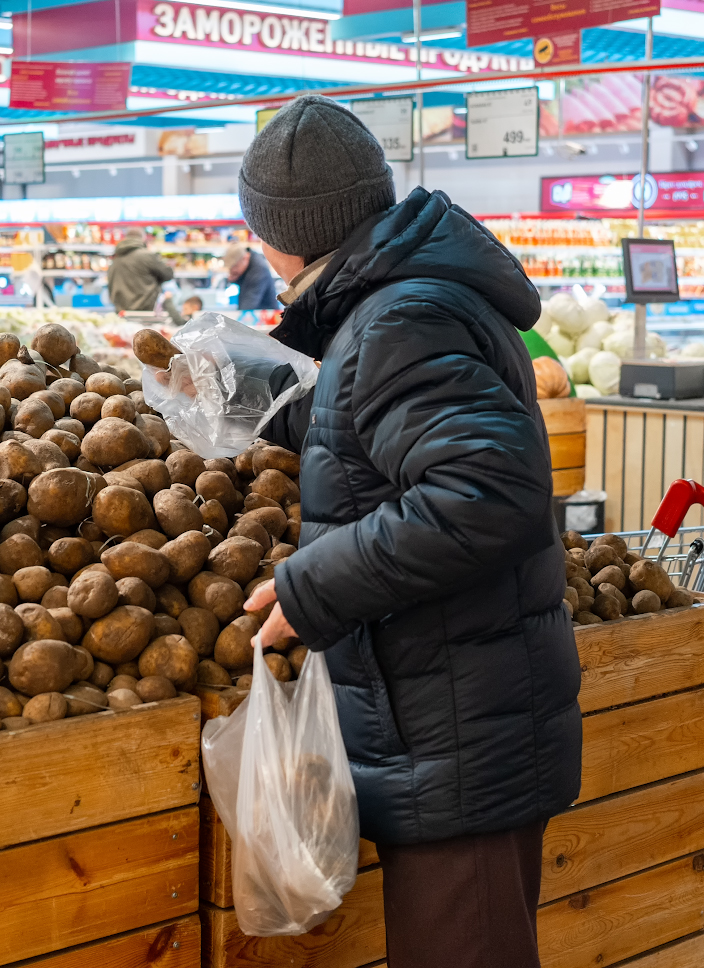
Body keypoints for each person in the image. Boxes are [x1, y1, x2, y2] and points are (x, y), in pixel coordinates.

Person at [236, 95, 578, 968]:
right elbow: (363, 418)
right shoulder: (396, 305)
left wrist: (311, 589)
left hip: (459, 726)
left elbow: (485, 494)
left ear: (289, 232)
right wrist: (234, 390)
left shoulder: (400, 319)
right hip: (454, 712)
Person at [108, 229, 175, 315]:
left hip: (121, 312)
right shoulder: (146, 255)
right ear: (143, 238)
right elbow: (168, 274)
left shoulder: (116, 257)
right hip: (144, 312)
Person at [223, 243, 279, 311]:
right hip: (257, 313)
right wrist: (235, 278)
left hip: (265, 315)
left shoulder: (259, 270)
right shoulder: (248, 262)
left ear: (245, 258)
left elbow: (249, 303)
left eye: (235, 266)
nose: (233, 270)